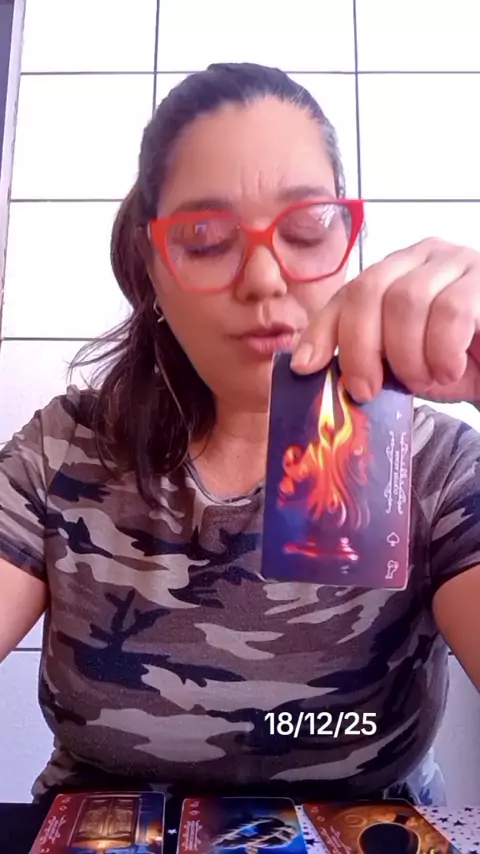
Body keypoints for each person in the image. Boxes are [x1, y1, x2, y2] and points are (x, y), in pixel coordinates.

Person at [0, 62, 479, 808]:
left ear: (347, 241)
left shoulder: (433, 467)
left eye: (307, 227)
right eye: (203, 239)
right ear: (153, 270)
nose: (264, 278)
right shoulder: (63, 452)